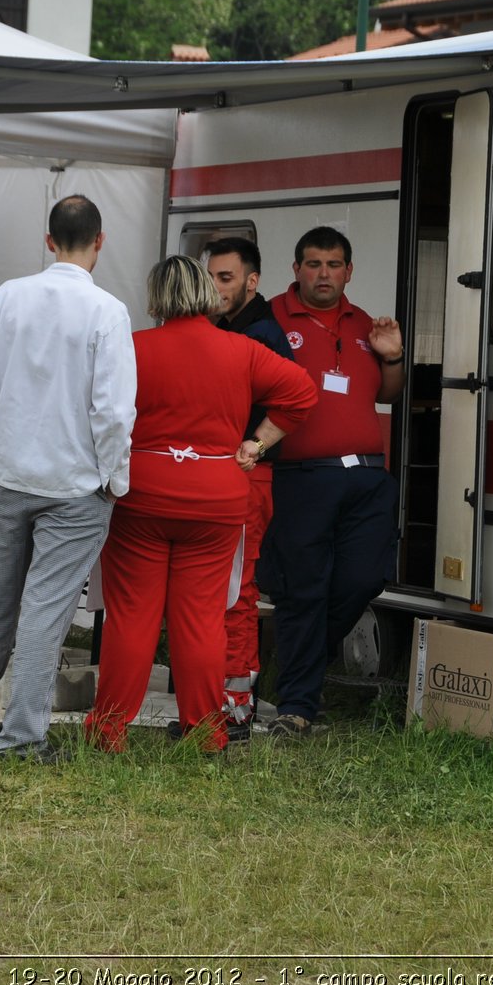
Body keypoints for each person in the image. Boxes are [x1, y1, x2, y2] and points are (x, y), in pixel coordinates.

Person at [84, 255, 316, 753]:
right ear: (205, 294)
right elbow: (302, 392)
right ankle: (206, 731)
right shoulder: (242, 350)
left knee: (132, 616)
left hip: (140, 497)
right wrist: (257, 443)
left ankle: (107, 731)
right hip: (216, 498)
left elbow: (94, 410)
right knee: (202, 618)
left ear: (156, 299)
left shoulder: (132, 348)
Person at [0, 194, 137, 764]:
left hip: (5, 474)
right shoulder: (108, 311)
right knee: (44, 610)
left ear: (48, 240)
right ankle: (22, 737)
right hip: (75, 484)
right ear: (100, 242)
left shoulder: (9, 297)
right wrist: (114, 477)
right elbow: (113, 411)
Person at [260, 226, 405, 737]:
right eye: (315, 264)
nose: (325, 274)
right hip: (302, 476)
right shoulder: (272, 318)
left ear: (349, 270)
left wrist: (391, 356)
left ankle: (301, 664)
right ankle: (297, 705)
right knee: (305, 590)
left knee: (364, 578)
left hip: (366, 475)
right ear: (296, 269)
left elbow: (387, 393)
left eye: (335, 264)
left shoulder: (364, 322)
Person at [204, 236, 294, 739]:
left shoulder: (261, 333)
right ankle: (213, 698)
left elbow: (299, 400)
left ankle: (237, 711)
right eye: (211, 276)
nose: (216, 287)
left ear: (252, 281)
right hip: (222, 478)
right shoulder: (228, 328)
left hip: (246, 479)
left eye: (226, 277)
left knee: (236, 591)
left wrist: (254, 446)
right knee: (217, 589)